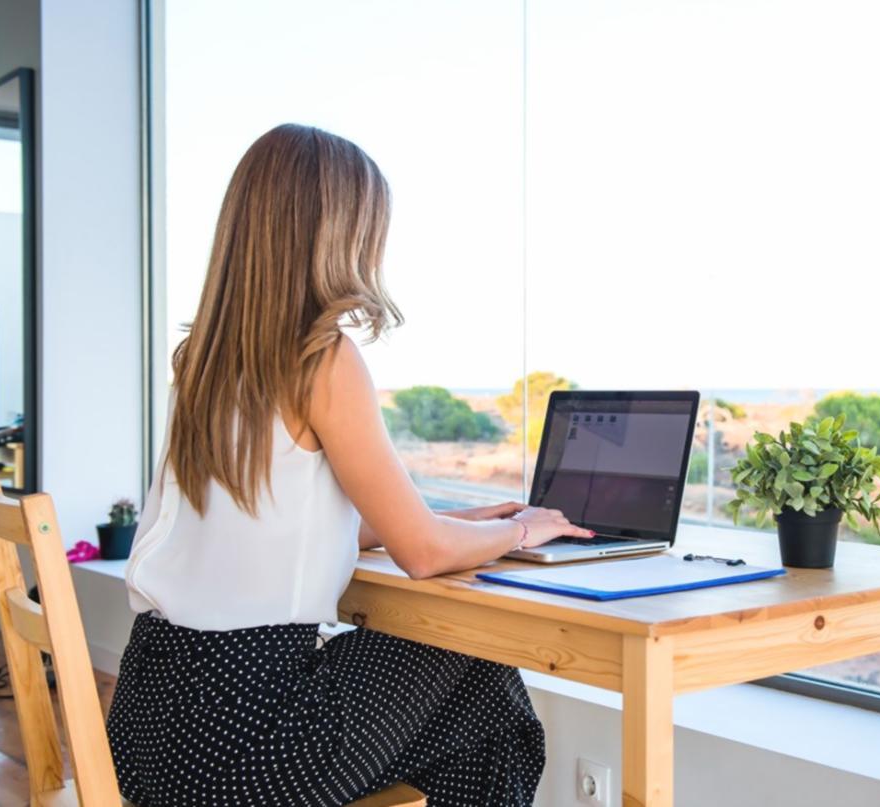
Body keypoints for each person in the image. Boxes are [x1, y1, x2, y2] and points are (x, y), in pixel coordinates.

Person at [107, 123, 594, 807]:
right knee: (484, 669)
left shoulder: (202, 361)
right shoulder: (321, 359)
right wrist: (521, 530)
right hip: (246, 738)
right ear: (338, 233)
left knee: (482, 708)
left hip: (149, 727)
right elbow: (423, 555)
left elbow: (269, 521)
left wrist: (449, 518)